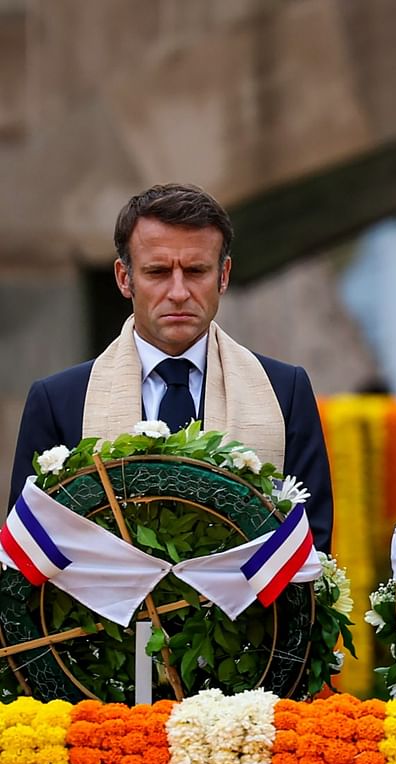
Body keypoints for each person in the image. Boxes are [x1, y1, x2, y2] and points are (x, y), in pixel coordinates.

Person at [9, 184, 334, 547]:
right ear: (124, 278)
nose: (178, 292)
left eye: (196, 271)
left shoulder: (284, 391)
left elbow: (312, 551)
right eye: (158, 272)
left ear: (223, 276)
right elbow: (27, 555)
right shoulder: (58, 401)